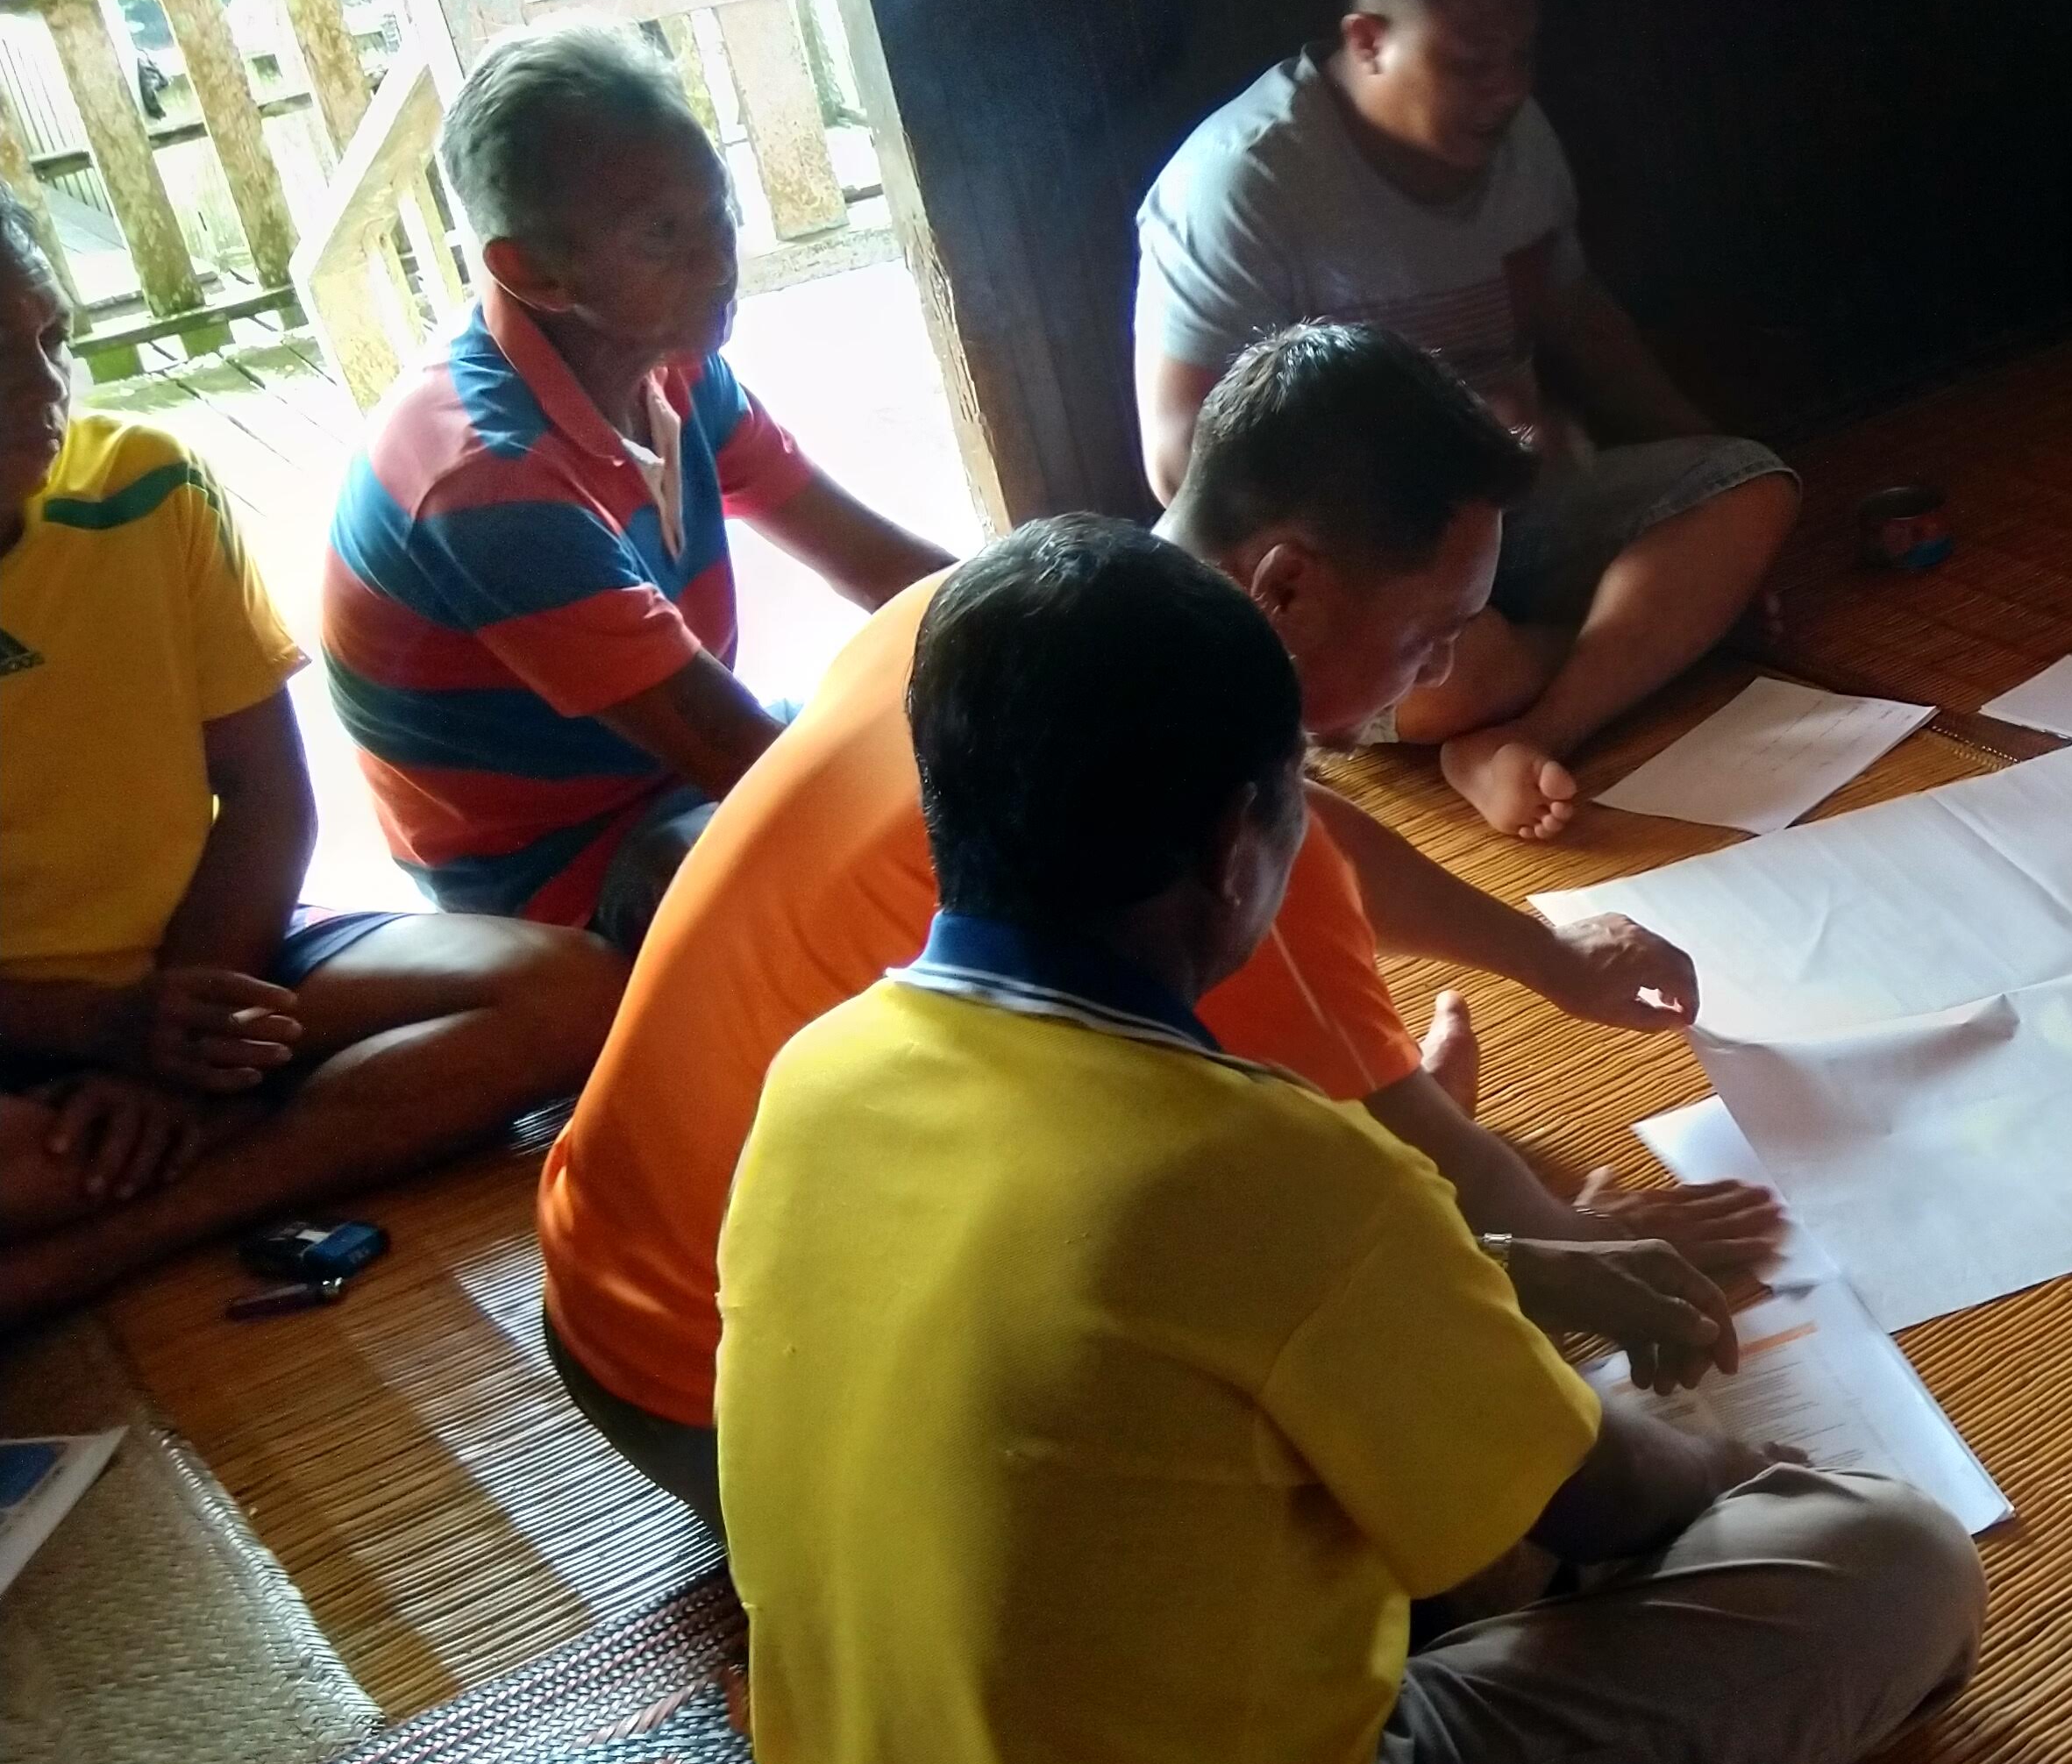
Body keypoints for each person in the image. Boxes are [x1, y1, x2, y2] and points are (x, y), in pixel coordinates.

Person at [715, 516, 1981, 1764]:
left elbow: (1131, 1323)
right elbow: (1614, 1503)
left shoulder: (817, 1076)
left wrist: (1492, 1279)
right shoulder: (1266, 1166)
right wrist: (1759, 1477)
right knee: (1893, 1565)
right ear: (1239, 845)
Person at [539, 321, 1778, 1530]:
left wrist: (1538, 955)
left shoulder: (984, 623)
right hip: (733, 1403)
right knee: (1385, 1463)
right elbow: (1414, 1225)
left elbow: (1318, 840)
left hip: (598, 1279)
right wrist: (1560, 1239)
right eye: (1430, 636)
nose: (1444, 674)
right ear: (1284, 586)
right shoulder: (1195, 848)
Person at [0, 200, 616, 1327]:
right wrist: (101, 1033)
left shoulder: (146, 484)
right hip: (31, 1021)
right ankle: (271, 1129)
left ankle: (104, 1241)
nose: (41, 388)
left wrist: (170, 1051)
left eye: (52, 339)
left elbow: (268, 802)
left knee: (571, 994)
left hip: (220, 958)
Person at [1131, 0, 1798, 843]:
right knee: (1454, 675)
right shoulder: (1246, 180)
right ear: (1369, 40)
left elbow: (1580, 322)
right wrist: (1441, 442)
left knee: (1751, 490)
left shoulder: (1518, 143)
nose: (1505, 91)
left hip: (1507, 513)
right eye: (1471, 62)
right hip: (1370, 565)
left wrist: (1695, 461)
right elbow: (1179, 460)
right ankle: (1637, 638)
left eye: (1521, 57)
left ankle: (1535, 732)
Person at [324, 31, 943, 952]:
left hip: (678, 780)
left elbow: (880, 565)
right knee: (937, 853)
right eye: (662, 235)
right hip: (562, 876)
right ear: (532, 273)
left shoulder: (668, 363)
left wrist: (1066, 637)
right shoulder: (487, 477)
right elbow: (734, 755)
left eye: (719, 206)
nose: (720, 259)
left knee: (945, 735)